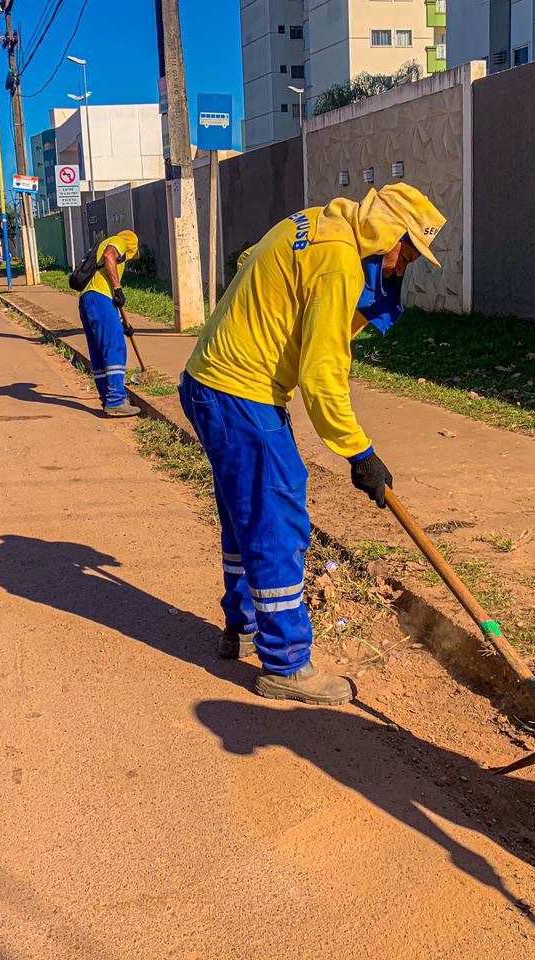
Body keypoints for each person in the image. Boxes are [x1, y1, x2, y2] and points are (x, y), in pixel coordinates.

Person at [179, 184, 446, 705]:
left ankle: (243, 627)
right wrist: (359, 453)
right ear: (387, 232)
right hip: (242, 394)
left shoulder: (313, 223)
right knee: (277, 519)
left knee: (245, 515)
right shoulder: (340, 263)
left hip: (207, 381)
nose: (402, 267)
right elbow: (321, 374)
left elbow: (255, 269)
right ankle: (286, 664)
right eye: (407, 253)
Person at [78, 230, 141, 417]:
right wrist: (118, 288)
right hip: (100, 299)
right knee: (115, 347)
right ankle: (116, 401)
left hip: (87, 300)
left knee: (98, 352)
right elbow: (109, 256)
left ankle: (107, 397)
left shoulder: (101, 246)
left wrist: (121, 325)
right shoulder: (120, 241)